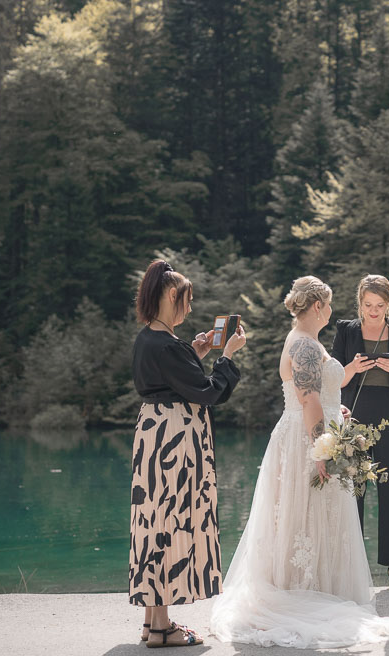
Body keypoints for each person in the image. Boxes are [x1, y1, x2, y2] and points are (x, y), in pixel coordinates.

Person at [210, 276, 389, 649]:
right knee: (308, 513)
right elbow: (307, 400)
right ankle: (306, 590)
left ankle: (309, 583)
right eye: (328, 304)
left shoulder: (303, 341)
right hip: (306, 440)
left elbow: (316, 397)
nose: (330, 310)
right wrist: (322, 448)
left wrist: (332, 409)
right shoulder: (306, 346)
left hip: (306, 431)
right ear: (318, 306)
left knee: (304, 516)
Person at [129, 258, 247, 648]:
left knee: (155, 520)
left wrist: (193, 353)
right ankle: (162, 629)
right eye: (187, 299)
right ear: (171, 295)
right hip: (175, 441)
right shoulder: (166, 345)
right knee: (171, 520)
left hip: (153, 434)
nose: (191, 308)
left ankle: (154, 620)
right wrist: (227, 356)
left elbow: (176, 382)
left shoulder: (150, 339)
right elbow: (208, 392)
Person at [331, 274, 389, 591]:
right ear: (360, 303)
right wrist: (352, 368)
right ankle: (351, 564)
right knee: (355, 489)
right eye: (368, 305)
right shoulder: (346, 330)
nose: (374, 311)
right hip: (354, 416)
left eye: (380, 305)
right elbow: (333, 380)